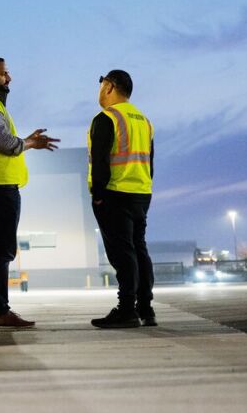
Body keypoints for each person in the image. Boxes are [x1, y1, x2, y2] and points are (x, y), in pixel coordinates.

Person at [0, 56, 59, 329]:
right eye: (4, 73)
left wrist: (26, 141)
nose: (9, 78)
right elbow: (5, 143)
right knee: (2, 251)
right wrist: (30, 142)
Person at [87, 69, 156, 329]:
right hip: (141, 192)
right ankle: (146, 308)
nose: (99, 89)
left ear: (109, 87)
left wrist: (98, 195)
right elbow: (150, 161)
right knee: (139, 250)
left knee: (123, 253)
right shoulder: (144, 120)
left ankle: (126, 309)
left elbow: (101, 161)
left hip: (114, 193)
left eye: (101, 83)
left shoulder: (107, 118)